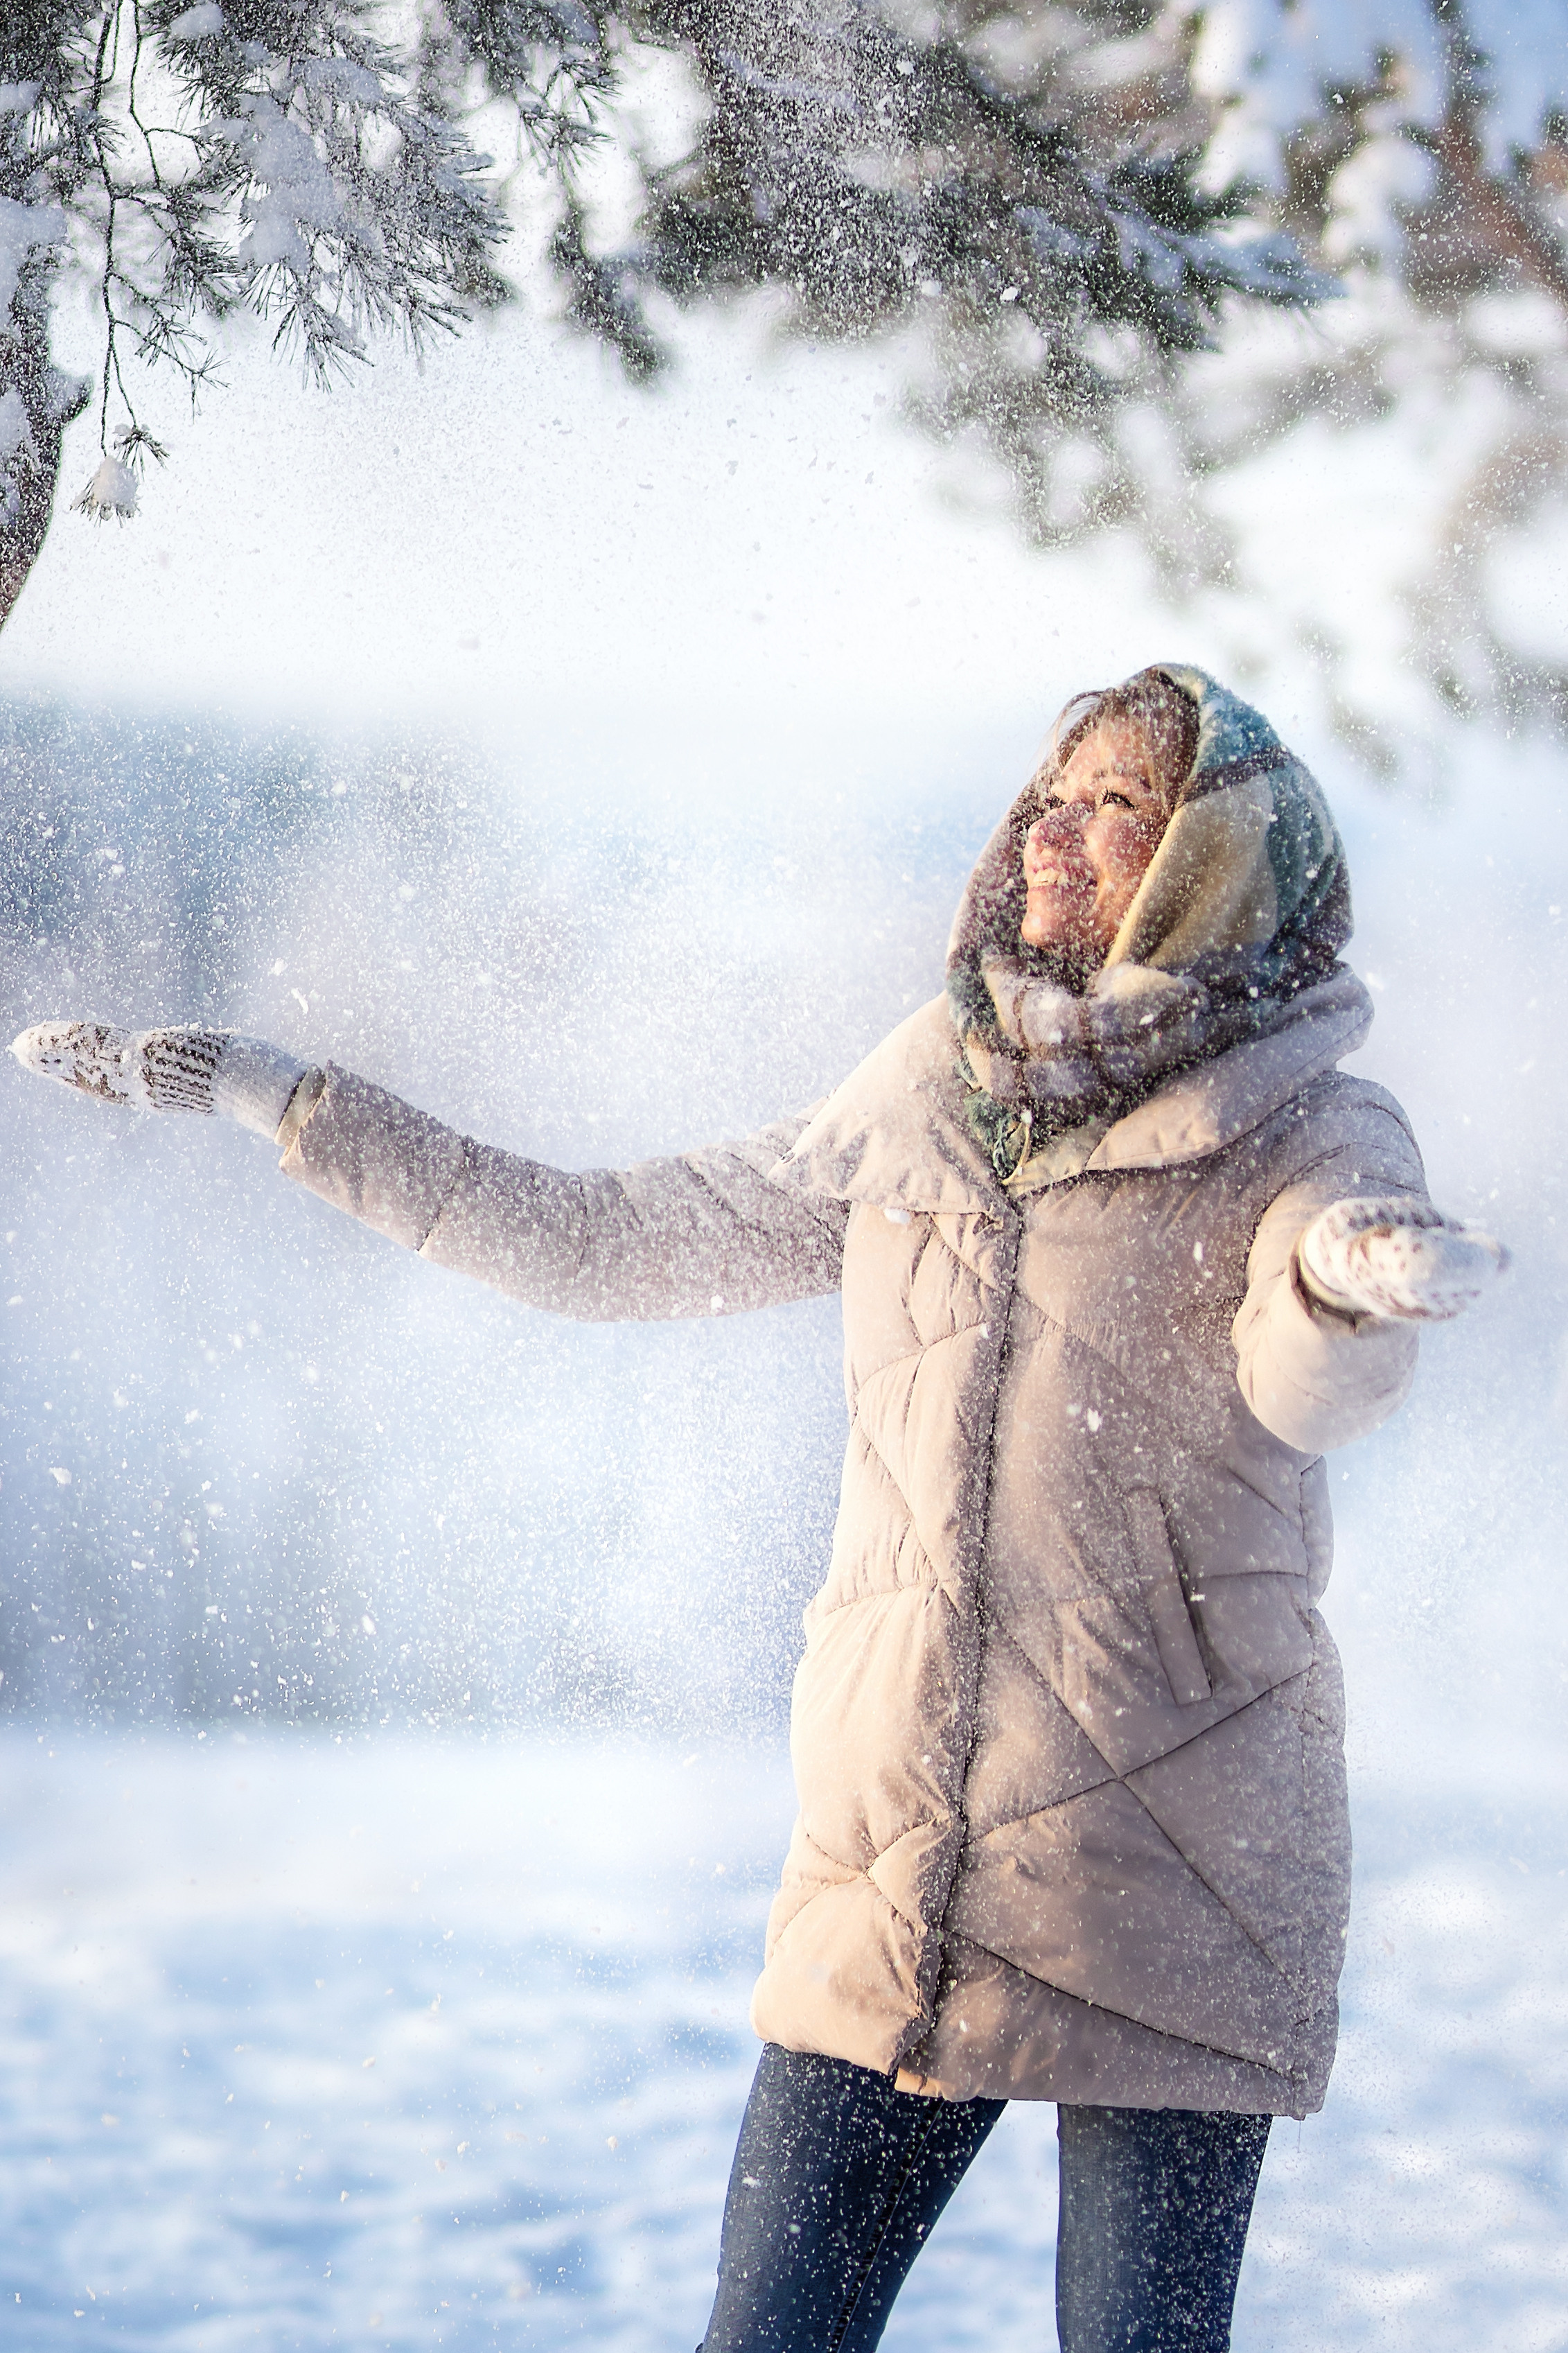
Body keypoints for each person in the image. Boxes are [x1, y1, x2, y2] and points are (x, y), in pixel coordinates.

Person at [13, 664, 1506, 2352]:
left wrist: (1344, 1284)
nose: (1056, 831)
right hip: (897, 1861)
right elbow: (602, 1243)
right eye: (1055, 792)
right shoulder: (929, 1093)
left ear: (1210, 868)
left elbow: (1306, 1384)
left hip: (1170, 1857)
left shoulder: (1304, 1119)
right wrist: (286, 1101)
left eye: (1119, 807)